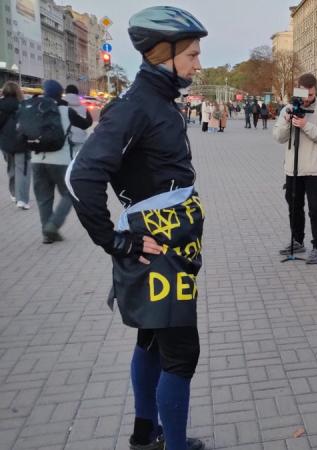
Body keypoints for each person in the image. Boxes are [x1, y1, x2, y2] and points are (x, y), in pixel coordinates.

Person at [66, 6, 208, 450]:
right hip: (157, 252)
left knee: (151, 341)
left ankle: (145, 433)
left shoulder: (159, 102)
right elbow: (80, 177)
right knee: (181, 355)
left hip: (172, 247)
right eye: (191, 55)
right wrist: (115, 241)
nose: (197, 64)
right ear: (162, 55)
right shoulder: (134, 108)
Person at [272, 73, 317, 264]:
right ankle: (297, 240)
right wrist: (288, 124)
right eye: (304, 94)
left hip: (315, 168)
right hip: (293, 168)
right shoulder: (288, 109)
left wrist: (306, 125)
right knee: (294, 206)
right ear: (298, 89)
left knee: (316, 208)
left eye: (311, 95)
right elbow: (278, 137)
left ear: (315, 91)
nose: (307, 99)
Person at [30, 80, 92, 243]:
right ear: (60, 94)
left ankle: (47, 234)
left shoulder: (35, 108)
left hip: (36, 159)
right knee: (69, 193)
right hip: (60, 160)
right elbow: (86, 123)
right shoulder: (66, 111)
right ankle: (53, 226)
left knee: (44, 198)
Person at [0, 81, 30, 209]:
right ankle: (21, 200)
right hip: (21, 142)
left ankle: (13, 193)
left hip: (5, 144)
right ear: (18, 91)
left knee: (11, 168)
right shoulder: (24, 105)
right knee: (22, 170)